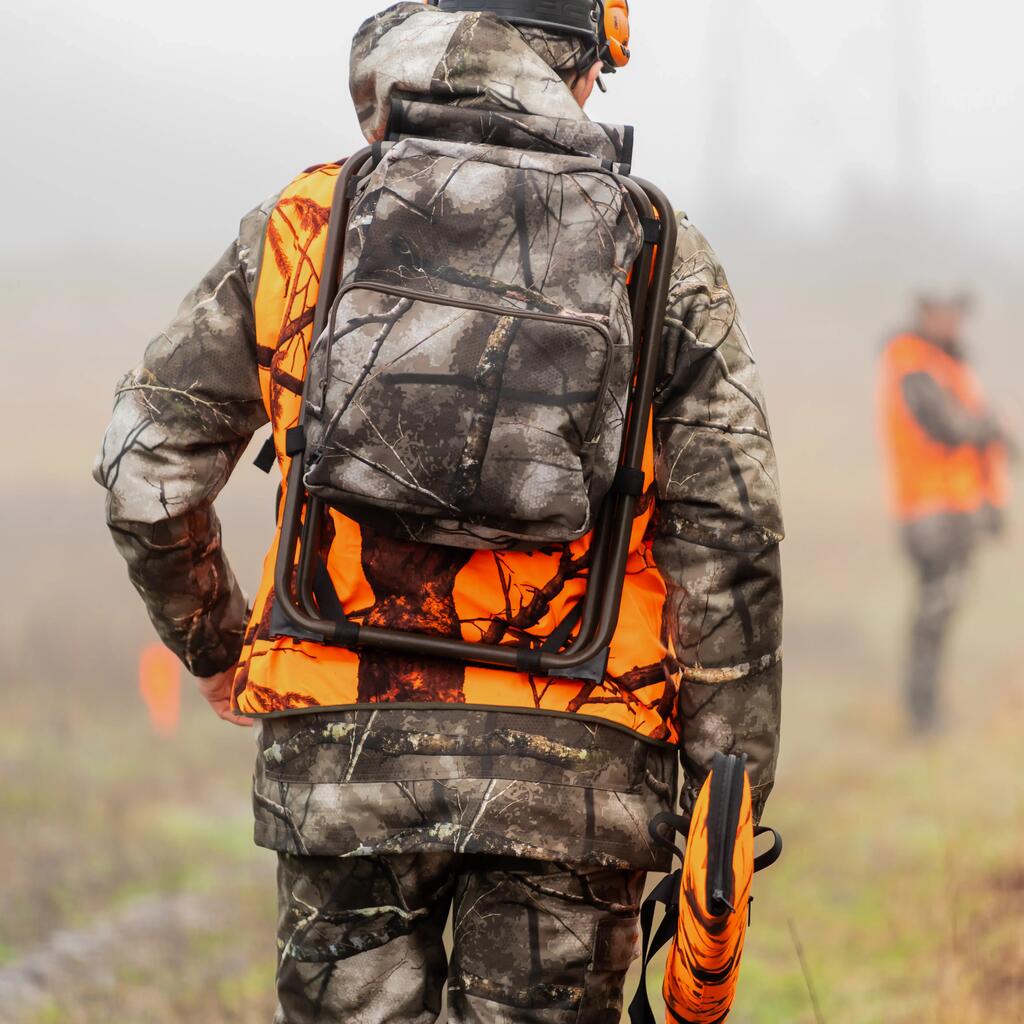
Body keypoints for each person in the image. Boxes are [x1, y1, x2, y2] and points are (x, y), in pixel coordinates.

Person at [94, 3, 784, 1020]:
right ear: (579, 63)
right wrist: (726, 801)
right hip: (582, 773)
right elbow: (728, 544)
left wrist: (213, 647)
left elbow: (145, 469)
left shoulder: (304, 223)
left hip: (339, 755)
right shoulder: (659, 251)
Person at [879, 292, 1011, 734]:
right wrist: (993, 428)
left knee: (942, 610)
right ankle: (923, 715)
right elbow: (949, 426)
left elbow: (974, 436)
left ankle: (928, 711)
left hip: (956, 508)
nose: (954, 321)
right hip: (930, 511)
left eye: (959, 312)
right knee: (934, 612)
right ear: (924, 311)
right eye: (946, 311)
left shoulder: (946, 362)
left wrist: (990, 502)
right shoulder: (913, 362)